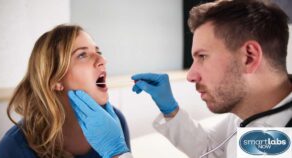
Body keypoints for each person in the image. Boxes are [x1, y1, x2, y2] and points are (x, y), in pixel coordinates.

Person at [67, 0, 292, 158]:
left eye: (202, 56)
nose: (191, 75)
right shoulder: (251, 113)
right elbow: (211, 150)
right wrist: (171, 111)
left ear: (249, 57)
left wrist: (117, 153)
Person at [0, 24, 130, 158]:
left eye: (98, 52)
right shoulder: (13, 148)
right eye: (82, 55)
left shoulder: (113, 125)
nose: (102, 60)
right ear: (55, 79)